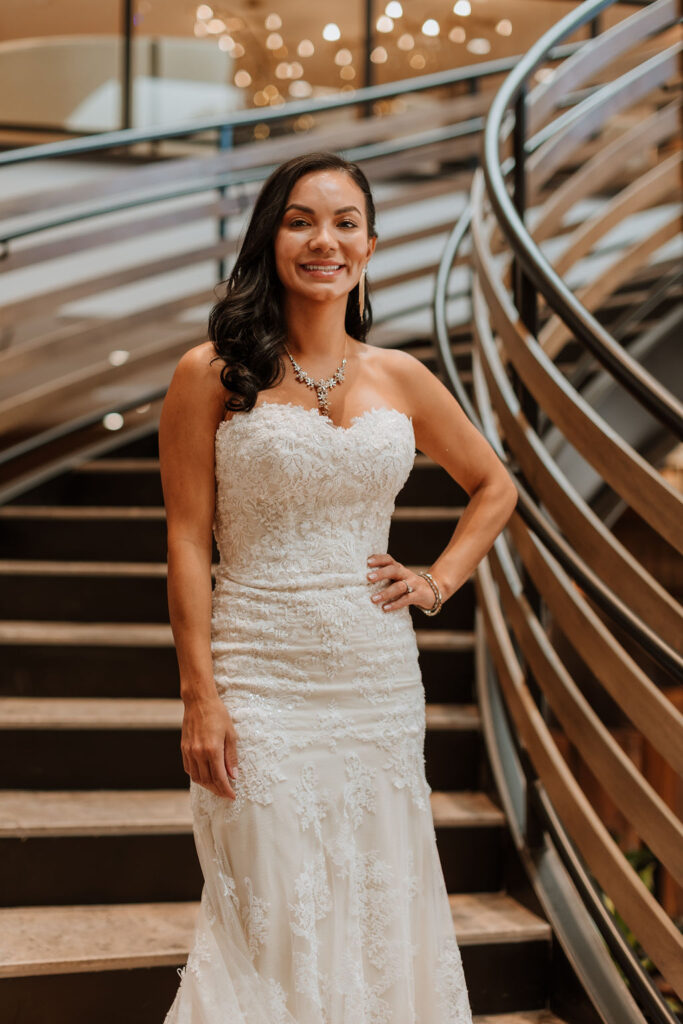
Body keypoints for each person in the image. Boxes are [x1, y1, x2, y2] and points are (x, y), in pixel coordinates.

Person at [159, 150, 517, 1023]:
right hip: (260, 682)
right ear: (269, 238)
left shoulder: (399, 374)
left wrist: (435, 581)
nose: (325, 239)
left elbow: (495, 487)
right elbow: (185, 539)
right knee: (275, 924)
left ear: (369, 244)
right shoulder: (209, 372)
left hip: (376, 684)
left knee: (375, 914)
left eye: (345, 222)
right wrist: (199, 694)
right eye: (300, 220)